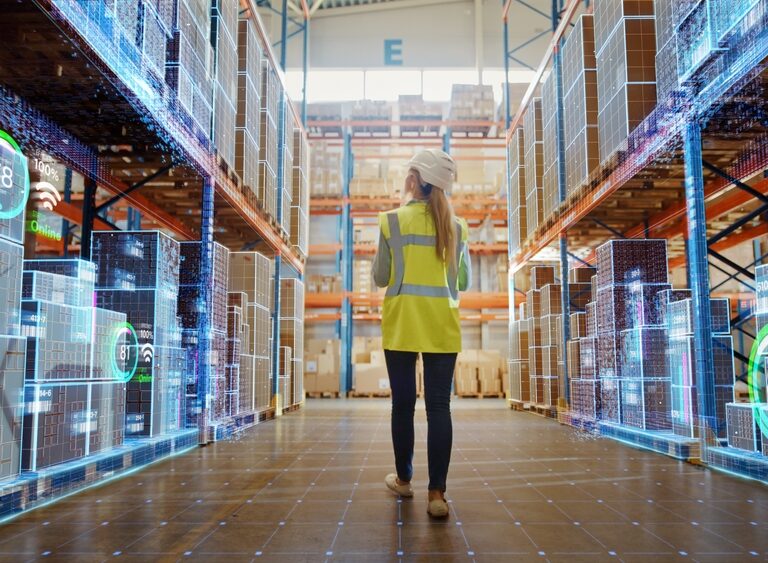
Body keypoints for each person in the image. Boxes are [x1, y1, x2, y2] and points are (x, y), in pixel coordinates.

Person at [372, 148, 471, 518]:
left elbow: (381, 277)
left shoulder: (391, 222)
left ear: (415, 180)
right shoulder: (457, 228)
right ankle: (437, 496)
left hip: (401, 327)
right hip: (442, 329)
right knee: (439, 408)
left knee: (402, 406)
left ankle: (403, 479)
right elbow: (464, 281)